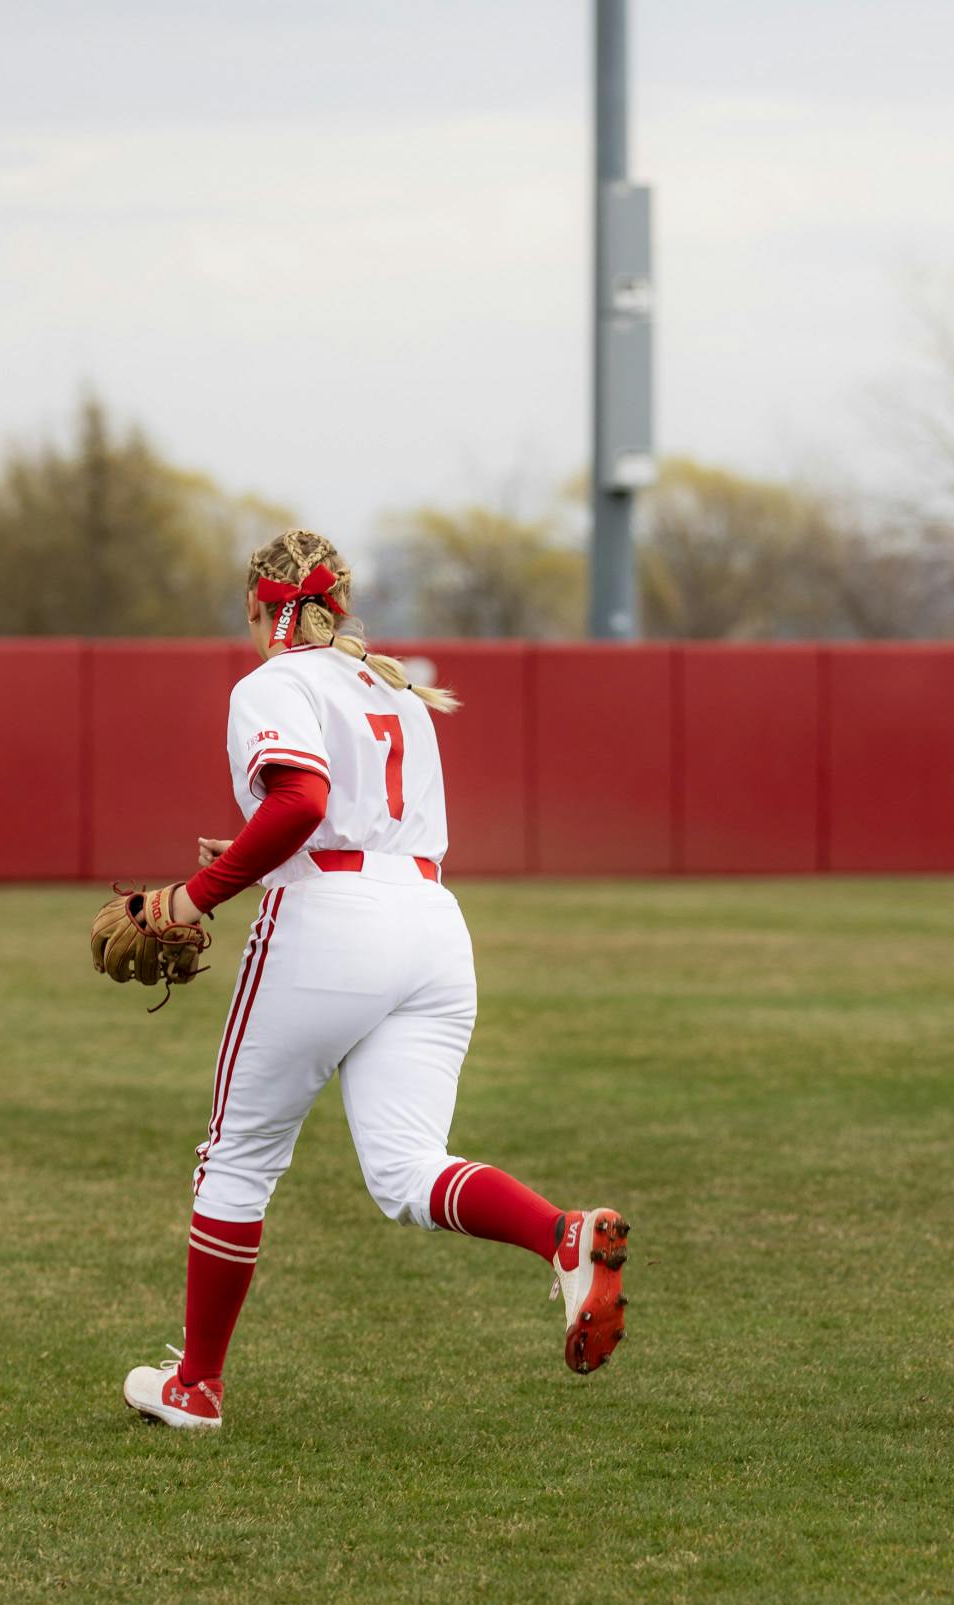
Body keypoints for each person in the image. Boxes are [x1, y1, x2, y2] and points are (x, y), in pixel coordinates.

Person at [123, 529, 629, 1432]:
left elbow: (303, 803)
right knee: (407, 1170)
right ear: (338, 605)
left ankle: (195, 1385)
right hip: (432, 927)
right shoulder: (387, 681)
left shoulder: (273, 682)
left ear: (259, 605)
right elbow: (339, 824)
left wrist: (198, 897)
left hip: (332, 930)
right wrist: (253, 860)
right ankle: (561, 1234)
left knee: (235, 1159)